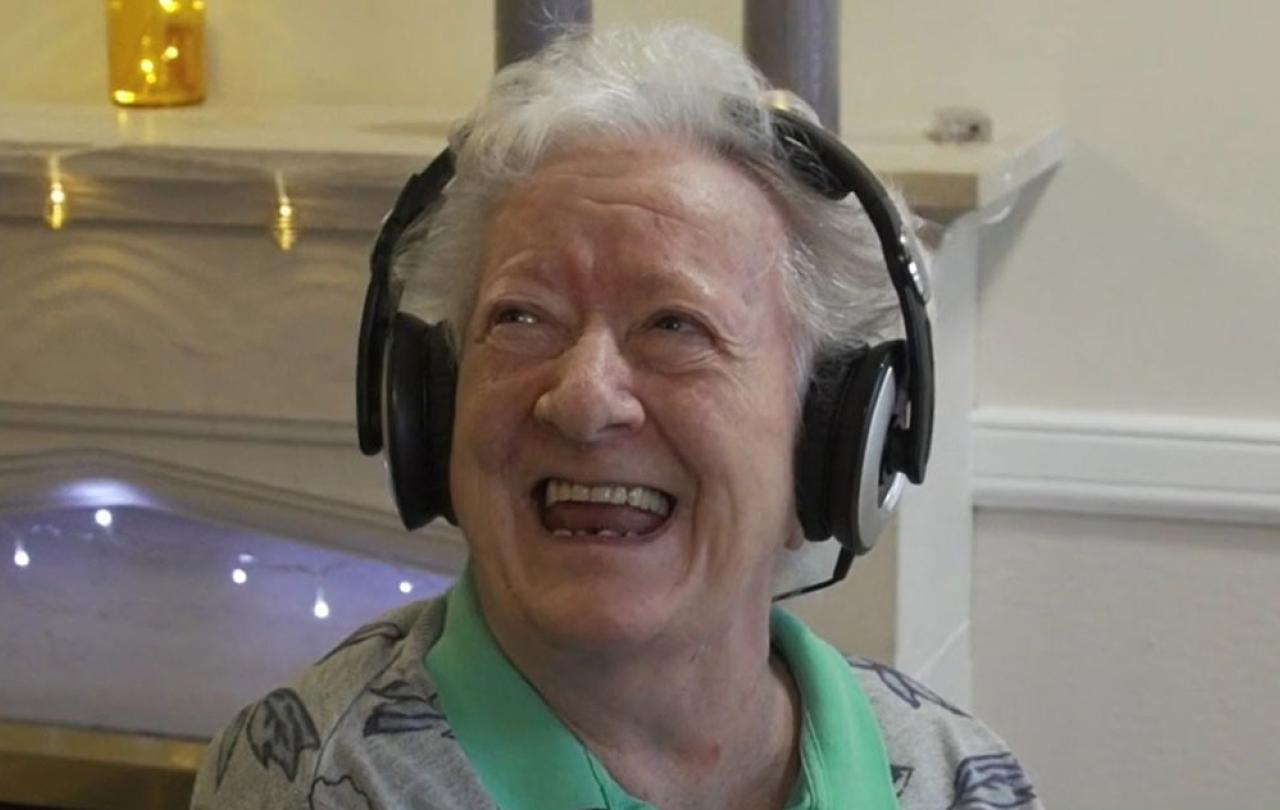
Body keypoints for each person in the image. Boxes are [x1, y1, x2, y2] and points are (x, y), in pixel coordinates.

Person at [192, 25, 1041, 810]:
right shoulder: (318, 781)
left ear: (832, 441)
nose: (583, 397)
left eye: (676, 326)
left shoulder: (953, 777)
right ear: (434, 404)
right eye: (521, 319)